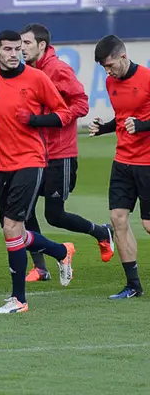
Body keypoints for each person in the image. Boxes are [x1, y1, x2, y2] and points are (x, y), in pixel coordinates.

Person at [0, 30, 76, 314]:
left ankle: (19, 299)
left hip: (30, 161)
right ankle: (60, 251)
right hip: (1, 163)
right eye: (7, 49)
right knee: (13, 231)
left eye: (17, 48)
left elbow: (65, 113)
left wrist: (34, 119)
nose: (13, 54)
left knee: (11, 228)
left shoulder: (36, 78)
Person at [20, 23, 114, 283]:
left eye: (26, 43)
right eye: (20, 44)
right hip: (34, 154)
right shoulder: (26, 71)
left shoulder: (58, 69)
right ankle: (40, 267)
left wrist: (53, 118)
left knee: (54, 215)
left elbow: (81, 104)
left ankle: (101, 232)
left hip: (60, 154)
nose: (22, 48)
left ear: (41, 45)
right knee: (23, 210)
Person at [89, 34, 150, 299]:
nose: (107, 70)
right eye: (104, 67)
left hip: (147, 163)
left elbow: (137, 121)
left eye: (110, 65)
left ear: (123, 57)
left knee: (148, 224)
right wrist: (103, 128)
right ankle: (133, 286)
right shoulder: (110, 82)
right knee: (118, 218)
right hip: (122, 162)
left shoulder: (147, 79)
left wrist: (143, 125)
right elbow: (123, 119)